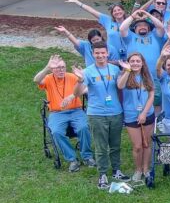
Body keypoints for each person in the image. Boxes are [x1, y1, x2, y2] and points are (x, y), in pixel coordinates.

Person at [73, 42, 127, 189]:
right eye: (97, 53)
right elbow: (77, 93)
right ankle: (102, 174)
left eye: (103, 53)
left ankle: (116, 170)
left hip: (116, 112)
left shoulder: (115, 69)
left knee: (115, 145)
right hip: (96, 114)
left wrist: (127, 72)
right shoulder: (88, 72)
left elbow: (121, 86)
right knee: (101, 146)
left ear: (107, 53)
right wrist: (79, 81)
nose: (100, 55)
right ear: (93, 54)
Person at [36, 54, 93, 171]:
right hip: (57, 113)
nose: (61, 70)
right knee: (56, 132)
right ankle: (72, 159)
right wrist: (47, 67)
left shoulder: (72, 76)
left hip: (76, 110)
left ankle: (87, 156)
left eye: (62, 67)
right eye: (57, 68)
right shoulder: (48, 78)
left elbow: (88, 87)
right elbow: (36, 79)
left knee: (84, 127)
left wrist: (73, 96)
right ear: (52, 69)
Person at [117, 53, 155, 183]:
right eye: (132, 61)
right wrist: (127, 70)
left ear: (142, 63)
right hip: (131, 115)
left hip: (147, 114)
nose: (135, 63)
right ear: (128, 63)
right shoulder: (124, 75)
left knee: (146, 143)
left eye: (138, 61)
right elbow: (120, 86)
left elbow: (151, 95)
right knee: (137, 145)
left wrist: (144, 113)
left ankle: (146, 169)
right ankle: (138, 170)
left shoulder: (147, 76)